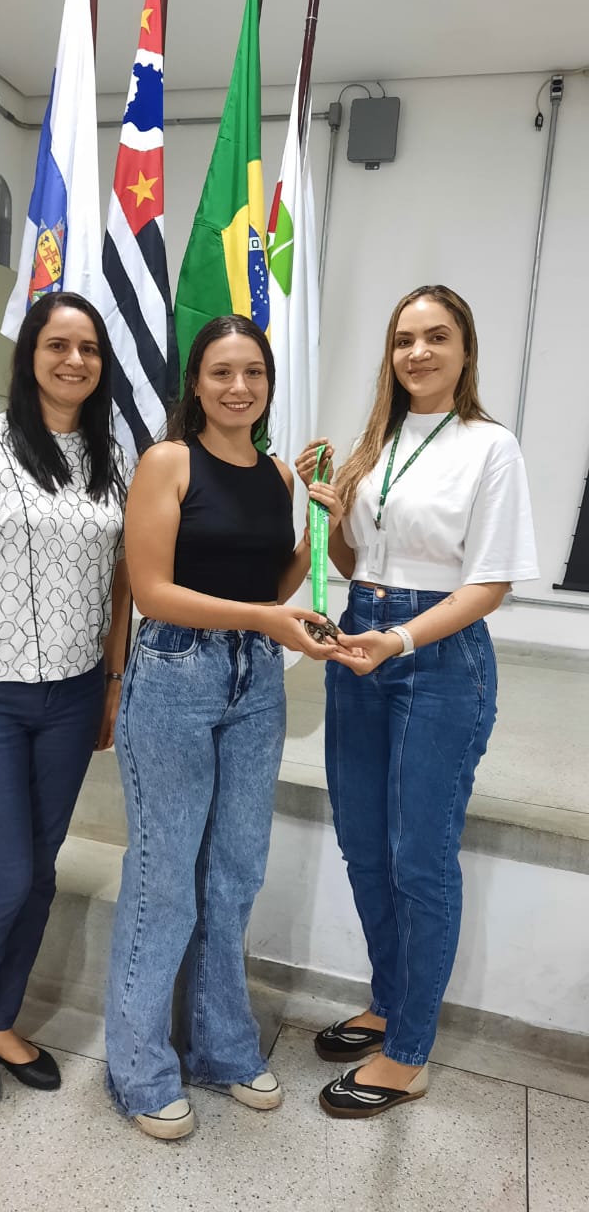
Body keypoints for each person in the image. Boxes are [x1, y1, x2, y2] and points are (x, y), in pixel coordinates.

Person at [295, 284, 538, 1120]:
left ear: (465, 350)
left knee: (418, 858)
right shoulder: (380, 439)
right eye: (405, 340)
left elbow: (491, 584)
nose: (419, 353)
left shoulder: (490, 446)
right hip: (359, 638)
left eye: (437, 338)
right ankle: (390, 1001)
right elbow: (354, 553)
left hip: (433, 658)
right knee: (365, 846)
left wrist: (399, 640)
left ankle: (410, 1051)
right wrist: (332, 509)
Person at [104, 314, 342, 1140]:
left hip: (255, 680)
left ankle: (222, 1047)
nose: (238, 387)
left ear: (267, 385)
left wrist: (316, 525)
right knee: (165, 878)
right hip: (174, 672)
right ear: (195, 385)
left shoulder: (278, 473)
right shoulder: (168, 462)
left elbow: (275, 584)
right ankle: (138, 1068)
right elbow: (152, 589)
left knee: (235, 873)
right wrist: (264, 619)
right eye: (221, 373)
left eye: (253, 373)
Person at [0, 291, 130, 1107]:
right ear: (30, 354)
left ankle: (4, 1019)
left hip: (73, 701)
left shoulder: (112, 454)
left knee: (39, 874)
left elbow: (119, 586)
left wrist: (111, 682)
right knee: (3, 875)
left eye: (89, 349)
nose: (74, 360)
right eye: (58, 345)